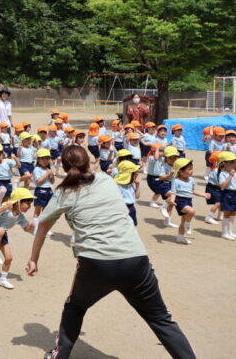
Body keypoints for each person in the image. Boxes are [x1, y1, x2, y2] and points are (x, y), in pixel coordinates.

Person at [26, 145, 196, 359]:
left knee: (75, 307)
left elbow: (42, 227)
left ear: (63, 165)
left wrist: (33, 259)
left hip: (97, 263)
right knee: (161, 318)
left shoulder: (63, 192)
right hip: (135, 258)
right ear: (88, 162)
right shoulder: (106, 180)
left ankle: (59, 356)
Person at [0, 188, 36, 289]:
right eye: (28, 204)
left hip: (2, 234)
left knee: (9, 258)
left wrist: (31, 226)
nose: (30, 207)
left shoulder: (20, 216)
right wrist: (4, 208)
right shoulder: (7, 207)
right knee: (0, 231)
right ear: (18, 202)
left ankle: (2, 279)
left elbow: (26, 229)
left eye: (30, 204)